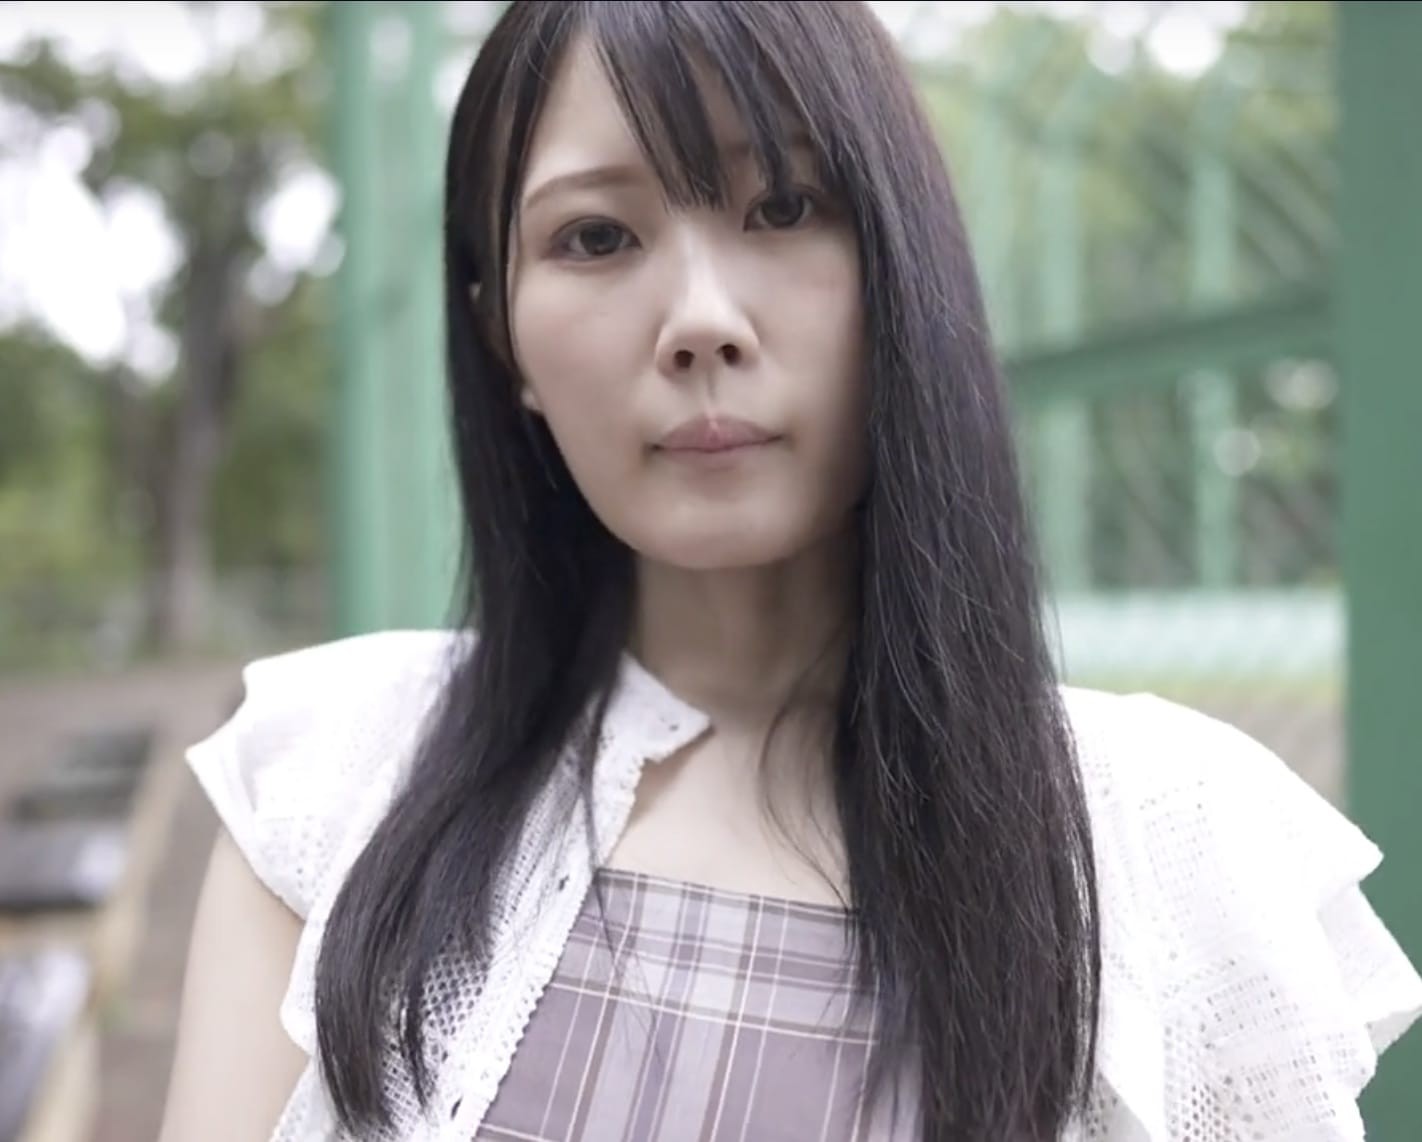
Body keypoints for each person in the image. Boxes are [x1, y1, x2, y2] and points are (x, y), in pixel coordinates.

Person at [156, 3, 1422, 1140]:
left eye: (784, 208)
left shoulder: (1172, 849)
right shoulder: (330, 778)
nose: (702, 319)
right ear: (504, 336)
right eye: (596, 235)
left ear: (905, 270)